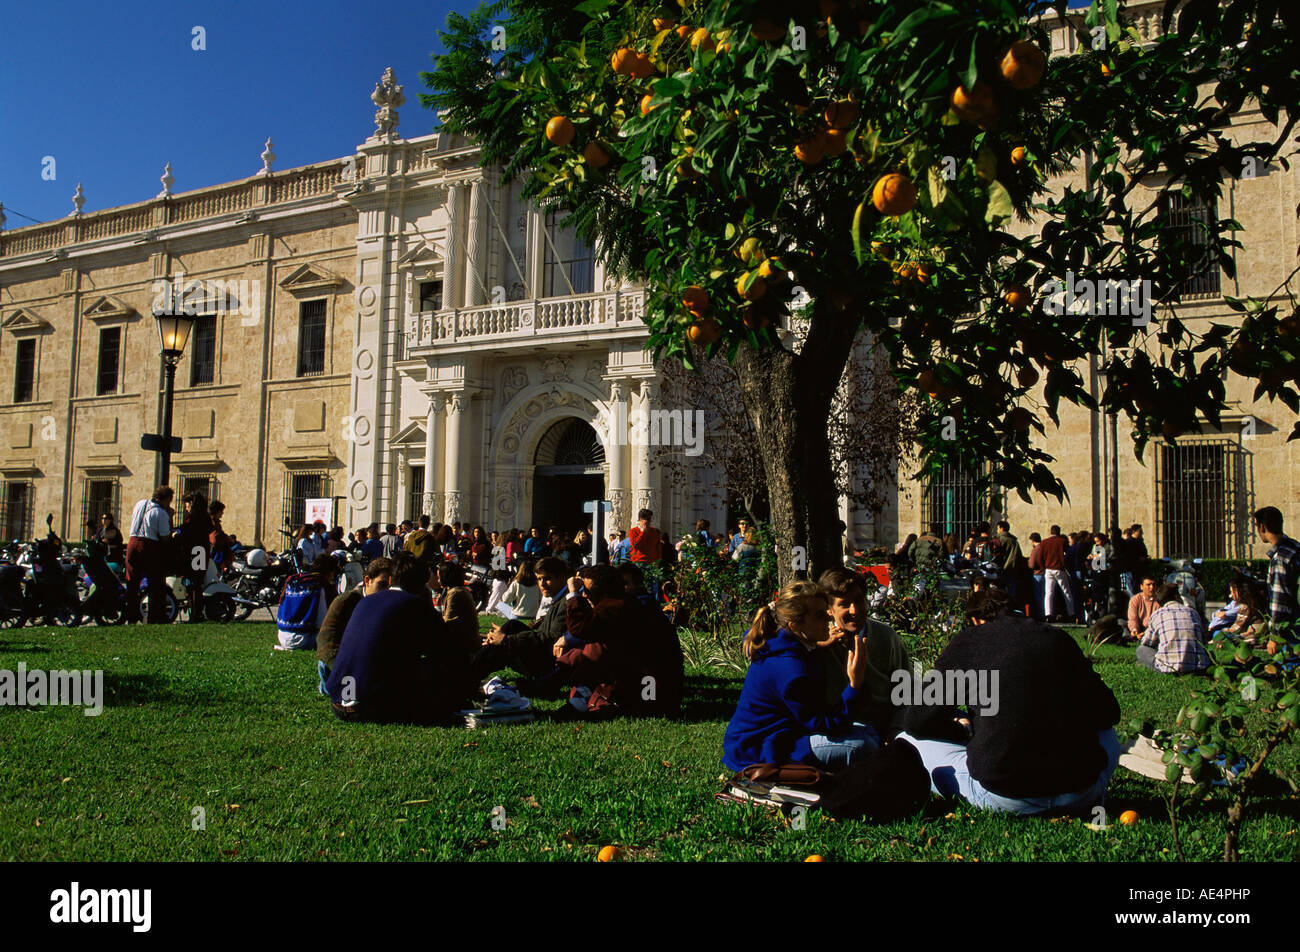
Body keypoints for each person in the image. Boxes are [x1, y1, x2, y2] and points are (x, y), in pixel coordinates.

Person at [895, 587, 1121, 816]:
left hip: (1006, 796)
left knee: (906, 740)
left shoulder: (971, 640)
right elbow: (1109, 713)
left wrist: (960, 731)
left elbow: (916, 720)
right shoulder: (1058, 638)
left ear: (975, 620)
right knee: (1109, 734)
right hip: (1081, 791)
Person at [722, 580, 878, 771]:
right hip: (760, 748)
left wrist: (819, 645)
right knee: (863, 745)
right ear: (795, 624)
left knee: (869, 732)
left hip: (776, 736)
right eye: (819, 616)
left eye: (826, 611)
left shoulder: (780, 642)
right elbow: (825, 724)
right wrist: (855, 684)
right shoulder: (791, 670)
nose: (829, 619)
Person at [325, 558, 462, 724]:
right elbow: (444, 650)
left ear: (390, 580)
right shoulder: (415, 605)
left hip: (340, 701)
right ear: (423, 585)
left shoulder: (365, 602)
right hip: (373, 706)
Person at [817, 567, 911, 736]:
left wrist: (895, 729)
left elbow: (905, 692)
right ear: (829, 609)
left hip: (885, 729)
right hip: (840, 733)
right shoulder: (820, 643)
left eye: (859, 601)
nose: (854, 610)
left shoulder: (886, 637)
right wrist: (822, 647)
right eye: (844, 604)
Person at [471, 556, 572, 683]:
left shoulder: (567, 601)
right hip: (543, 653)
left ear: (562, 577)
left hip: (548, 664)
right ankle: (476, 662)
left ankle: (470, 672)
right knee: (512, 626)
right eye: (539, 579)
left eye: (547, 578)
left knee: (506, 640)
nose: (542, 583)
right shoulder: (559, 597)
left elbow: (549, 640)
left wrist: (506, 640)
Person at [316, 556, 393, 693]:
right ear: (367, 581)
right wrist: (343, 669)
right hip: (342, 666)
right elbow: (325, 641)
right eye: (381, 585)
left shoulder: (388, 605)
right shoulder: (346, 601)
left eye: (389, 587)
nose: (385, 592)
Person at [1136, 583, 1210, 674]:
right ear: (1177, 597)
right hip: (1198, 668)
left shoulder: (1157, 614)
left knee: (1141, 650)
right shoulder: (1193, 612)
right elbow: (1203, 641)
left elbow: (1147, 643)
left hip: (1169, 669)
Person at [126, 486, 174, 623]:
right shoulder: (161, 513)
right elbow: (165, 537)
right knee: (156, 581)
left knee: (132, 581)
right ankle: (155, 615)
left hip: (131, 543)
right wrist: (170, 517)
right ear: (167, 499)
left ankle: (131, 616)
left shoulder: (139, 503)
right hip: (148, 546)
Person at [1254, 506, 1299, 632]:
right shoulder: (1294, 546)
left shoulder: (1280, 558)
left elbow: (1280, 599)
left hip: (1292, 626)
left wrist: (1275, 635)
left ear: (1262, 527)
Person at [175, 490, 213, 624]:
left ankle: (196, 615)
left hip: (196, 552)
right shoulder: (204, 517)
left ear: (191, 503)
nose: (185, 506)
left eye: (186, 503)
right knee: (195, 584)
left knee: (194, 584)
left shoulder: (194, 518)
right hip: (201, 551)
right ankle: (196, 613)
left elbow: (188, 532)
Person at [1032, 524, 1076, 622]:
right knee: (1066, 591)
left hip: (1048, 569)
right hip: (1059, 568)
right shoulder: (1062, 542)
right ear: (1059, 532)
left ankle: (1048, 614)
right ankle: (1071, 613)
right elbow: (1067, 553)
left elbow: (1039, 558)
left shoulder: (1044, 542)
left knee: (1049, 592)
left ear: (1050, 532)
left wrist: (1044, 566)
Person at [1127, 574, 1158, 640]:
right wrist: (1134, 629)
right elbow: (1132, 618)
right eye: (1148, 585)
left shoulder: (1159, 600)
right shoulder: (1135, 599)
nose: (1152, 587)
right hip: (1139, 627)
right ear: (1141, 587)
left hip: (1153, 629)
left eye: (1153, 585)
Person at [208, 501, 233, 569]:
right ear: (216, 511)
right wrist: (226, 539)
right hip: (212, 554)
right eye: (221, 511)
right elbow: (215, 538)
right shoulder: (211, 522)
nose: (222, 513)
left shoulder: (216, 522)